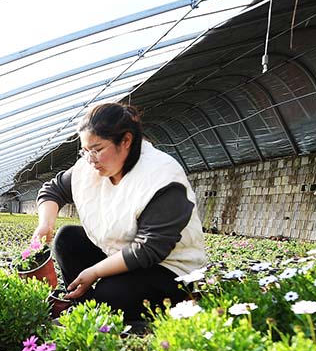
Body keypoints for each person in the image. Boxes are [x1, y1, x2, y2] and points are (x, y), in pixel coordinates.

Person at [33, 103, 207, 320]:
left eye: (97, 149)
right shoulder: (91, 167)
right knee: (67, 238)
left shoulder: (161, 177)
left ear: (126, 141)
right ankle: (84, 310)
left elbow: (148, 249)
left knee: (110, 294)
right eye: (85, 151)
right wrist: (46, 224)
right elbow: (53, 190)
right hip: (119, 254)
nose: (90, 160)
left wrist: (95, 272)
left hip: (168, 269)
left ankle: (102, 312)